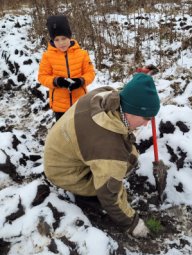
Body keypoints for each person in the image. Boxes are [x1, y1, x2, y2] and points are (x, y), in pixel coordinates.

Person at [44, 73, 160, 237]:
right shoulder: (109, 147)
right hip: (64, 173)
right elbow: (109, 196)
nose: (148, 123)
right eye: (146, 117)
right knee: (121, 168)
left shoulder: (105, 95)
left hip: (61, 150)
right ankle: (86, 198)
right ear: (132, 111)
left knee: (127, 155)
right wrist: (133, 223)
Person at [38, 15, 95, 121]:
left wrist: (81, 81)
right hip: (60, 106)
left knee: (80, 130)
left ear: (69, 37)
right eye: (57, 40)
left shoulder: (82, 54)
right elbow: (42, 76)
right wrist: (56, 81)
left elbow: (90, 73)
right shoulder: (47, 56)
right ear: (52, 40)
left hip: (80, 103)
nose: (61, 43)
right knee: (63, 134)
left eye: (64, 38)